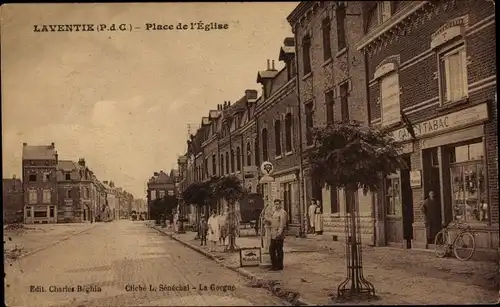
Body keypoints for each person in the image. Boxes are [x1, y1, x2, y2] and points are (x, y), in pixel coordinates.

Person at [269, 199, 287, 271]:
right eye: (275, 204)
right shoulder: (275, 212)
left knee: (279, 250)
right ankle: (274, 265)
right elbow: (273, 221)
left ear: (280, 204)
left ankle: (279, 266)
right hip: (273, 234)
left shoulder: (283, 212)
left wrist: (279, 233)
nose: (276, 206)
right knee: (272, 249)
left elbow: (282, 224)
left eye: (277, 204)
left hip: (278, 234)